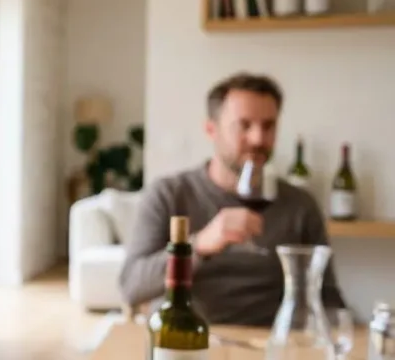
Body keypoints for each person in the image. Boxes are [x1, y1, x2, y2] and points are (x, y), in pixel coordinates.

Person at [118, 72, 345, 326]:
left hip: (268, 341)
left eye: (268, 126)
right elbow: (131, 286)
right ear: (211, 130)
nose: (258, 139)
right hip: (188, 339)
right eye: (244, 125)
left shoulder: (299, 205)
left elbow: (329, 298)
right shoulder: (168, 195)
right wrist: (199, 245)